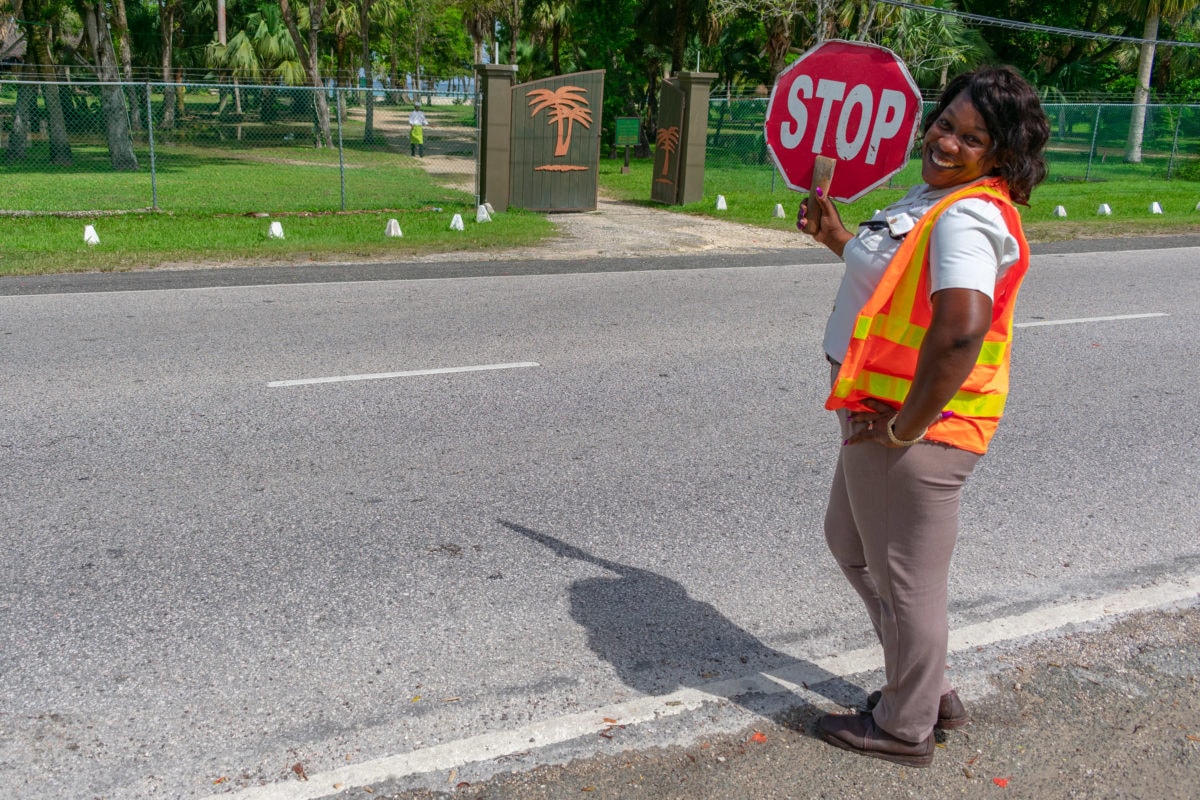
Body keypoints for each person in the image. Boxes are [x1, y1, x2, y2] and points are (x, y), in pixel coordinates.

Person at [797, 66, 1049, 767]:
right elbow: (897, 281)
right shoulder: (941, 198)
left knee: (906, 580)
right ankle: (926, 686)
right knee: (852, 547)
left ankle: (906, 727)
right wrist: (838, 239)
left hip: (912, 433)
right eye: (946, 124)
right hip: (877, 420)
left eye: (972, 138)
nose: (947, 142)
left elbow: (961, 327)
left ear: (1000, 155)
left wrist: (906, 426)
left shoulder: (969, 214)